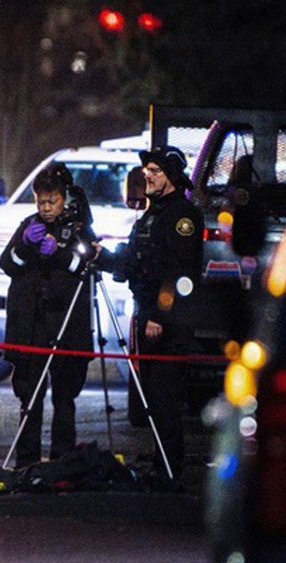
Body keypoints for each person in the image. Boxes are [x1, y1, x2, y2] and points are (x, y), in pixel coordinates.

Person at [96, 146, 203, 487]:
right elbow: (134, 261)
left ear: (171, 176)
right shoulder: (151, 214)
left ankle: (170, 471)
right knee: (153, 399)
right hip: (146, 315)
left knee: (165, 398)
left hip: (167, 323)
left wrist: (160, 315)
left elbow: (181, 274)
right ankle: (161, 465)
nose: (148, 177)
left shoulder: (182, 216)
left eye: (155, 171)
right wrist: (103, 258)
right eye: (146, 172)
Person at [0, 162, 96, 469]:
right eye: (41, 201)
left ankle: (62, 459)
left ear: (64, 198)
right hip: (32, 325)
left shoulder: (79, 229)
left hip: (65, 324)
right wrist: (25, 245)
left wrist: (60, 253)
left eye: (52, 201)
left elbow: (87, 266)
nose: (46, 207)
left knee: (64, 396)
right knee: (30, 395)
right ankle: (27, 461)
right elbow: (7, 264)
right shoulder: (28, 225)